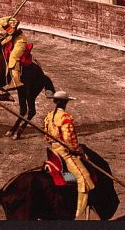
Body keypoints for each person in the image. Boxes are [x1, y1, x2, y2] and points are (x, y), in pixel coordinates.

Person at [44, 90, 94, 219]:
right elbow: (70, 140)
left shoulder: (49, 116)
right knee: (85, 178)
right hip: (64, 153)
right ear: (65, 102)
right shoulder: (65, 117)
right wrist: (78, 151)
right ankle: (79, 214)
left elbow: (47, 137)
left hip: (53, 151)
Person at [0, 15, 27, 89]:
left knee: (13, 56)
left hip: (20, 41)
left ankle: (16, 81)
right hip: (13, 41)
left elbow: (11, 32)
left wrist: (2, 41)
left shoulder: (2, 22)